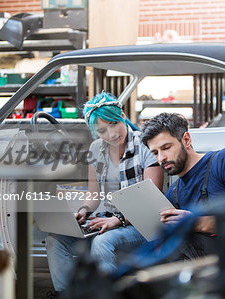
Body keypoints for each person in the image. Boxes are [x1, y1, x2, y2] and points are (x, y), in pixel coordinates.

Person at [46, 92, 163, 292]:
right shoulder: (95, 149)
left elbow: (149, 200)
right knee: (55, 240)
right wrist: (83, 211)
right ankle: (66, 295)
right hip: (108, 220)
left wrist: (117, 219)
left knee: (102, 242)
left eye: (113, 123)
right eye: (102, 130)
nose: (111, 134)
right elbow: (93, 195)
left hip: (141, 224)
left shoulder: (145, 145)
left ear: (122, 116)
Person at [141, 113, 225, 255]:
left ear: (186, 140)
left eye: (166, 147)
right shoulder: (173, 194)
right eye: (155, 153)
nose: (161, 158)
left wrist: (195, 223)